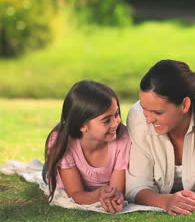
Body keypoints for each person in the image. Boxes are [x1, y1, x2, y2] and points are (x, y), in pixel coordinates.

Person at [126, 59, 195, 215]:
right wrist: (166, 201)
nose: (149, 119)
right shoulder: (138, 118)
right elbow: (136, 185)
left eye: (158, 113)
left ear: (185, 105)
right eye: (144, 109)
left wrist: (194, 200)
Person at [43, 80, 130, 214]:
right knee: (48, 169)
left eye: (117, 114)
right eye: (106, 120)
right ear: (82, 125)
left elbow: (117, 189)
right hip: (61, 174)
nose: (116, 123)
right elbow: (76, 193)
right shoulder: (61, 143)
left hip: (101, 185)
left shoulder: (123, 138)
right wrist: (98, 195)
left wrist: (114, 198)